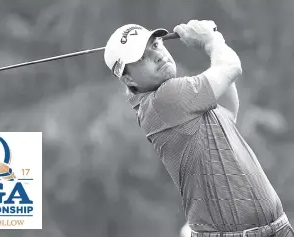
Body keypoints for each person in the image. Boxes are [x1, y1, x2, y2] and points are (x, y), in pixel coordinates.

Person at [104, 20, 293, 237]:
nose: (157, 55)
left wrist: (211, 39)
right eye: (142, 57)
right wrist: (210, 40)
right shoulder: (164, 100)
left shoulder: (176, 100)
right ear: (127, 78)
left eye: (155, 45)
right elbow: (231, 67)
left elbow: (229, 111)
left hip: (277, 228)